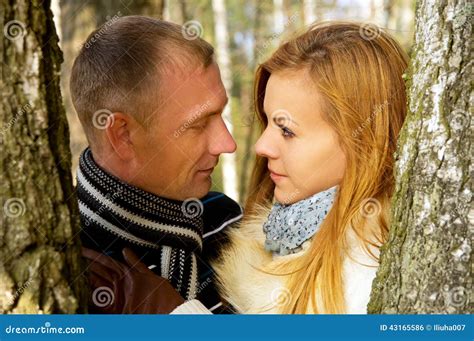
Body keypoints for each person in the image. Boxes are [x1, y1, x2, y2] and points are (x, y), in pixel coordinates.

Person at [172, 21, 409, 314]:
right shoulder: (281, 233)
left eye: (287, 131)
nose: (261, 146)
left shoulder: (370, 268)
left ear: (363, 140)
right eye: (267, 121)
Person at [69, 16, 243, 314]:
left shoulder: (227, 222)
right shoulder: (67, 264)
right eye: (199, 124)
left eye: (221, 116)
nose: (227, 144)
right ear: (122, 135)